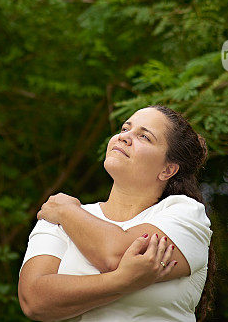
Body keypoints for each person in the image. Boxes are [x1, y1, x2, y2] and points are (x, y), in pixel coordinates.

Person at [17, 105, 216, 321]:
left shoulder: (185, 213)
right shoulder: (60, 216)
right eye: (124, 129)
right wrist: (119, 281)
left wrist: (66, 212)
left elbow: (116, 255)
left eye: (144, 137)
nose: (124, 137)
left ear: (167, 169)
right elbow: (33, 300)